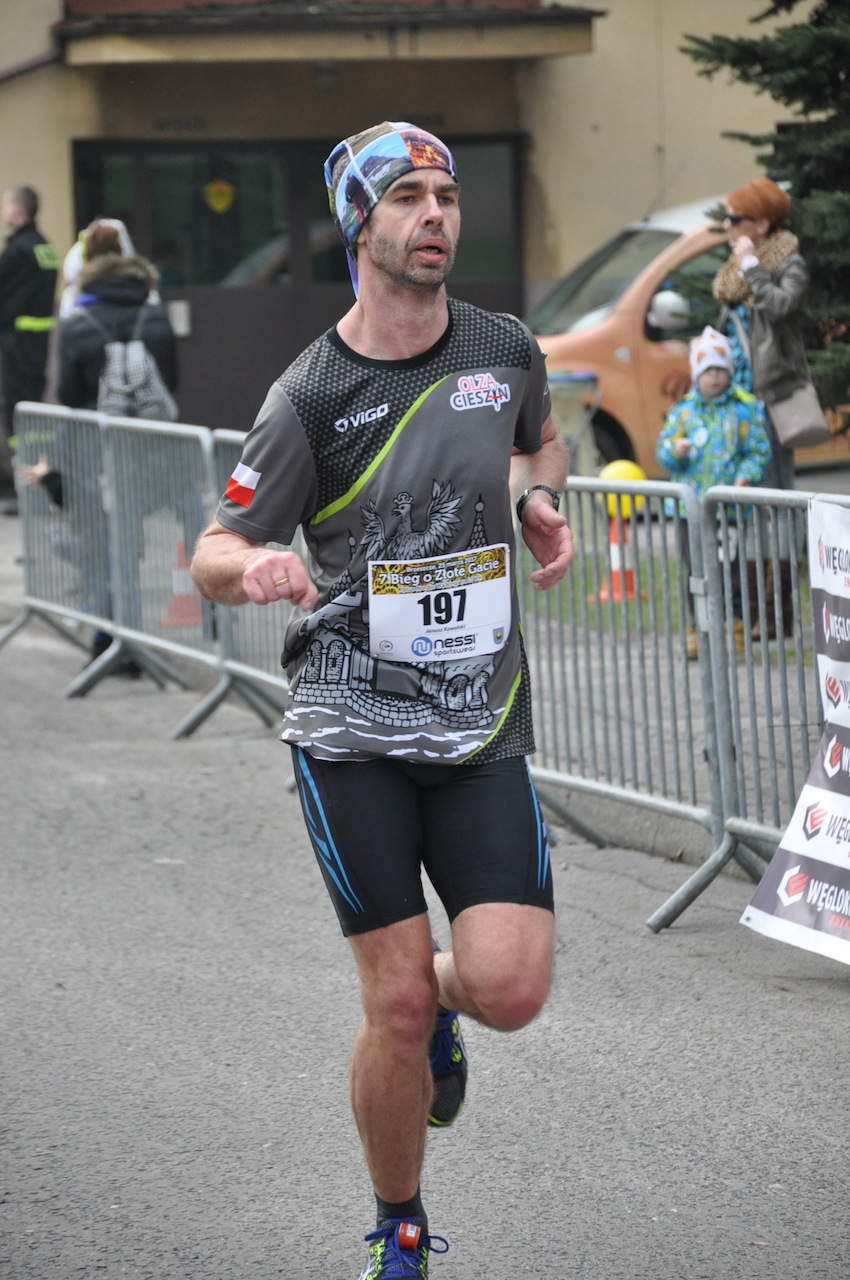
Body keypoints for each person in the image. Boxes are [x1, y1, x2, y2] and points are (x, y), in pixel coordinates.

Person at [190, 120, 573, 1278]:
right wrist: (254, 566)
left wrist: (538, 499)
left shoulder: (502, 348)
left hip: (478, 719)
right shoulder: (310, 393)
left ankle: (443, 1000)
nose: (435, 214)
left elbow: (540, 445)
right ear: (359, 224)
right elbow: (214, 544)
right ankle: (398, 1226)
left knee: (509, 986)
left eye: (444, 193)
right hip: (349, 726)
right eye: (406, 196)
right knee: (393, 1004)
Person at [713, 177, 807, 637]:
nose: (727, 226)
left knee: (778, 502)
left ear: (763, 223)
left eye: (736, 218)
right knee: (748, 503)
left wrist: (752, 264)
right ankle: (754, 612)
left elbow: (782, 305)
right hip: (739, 404)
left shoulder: (788, 263)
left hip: (771, 401)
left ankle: (778, 612)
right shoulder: (733, 274)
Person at [657, 325, 771, 659]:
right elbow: (662, 452)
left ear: (730, 372)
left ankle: (735, 628)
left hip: (728, 511)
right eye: (708, 370)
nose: (715, 376)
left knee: (731, 571)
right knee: (696, 571)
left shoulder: (743, 410)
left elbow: (758, 451)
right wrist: (674, 450)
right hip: (689, 511)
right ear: (696, 374)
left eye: (721, 369)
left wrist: (744, 477)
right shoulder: (684, 412)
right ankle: (698, 629)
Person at [0, 185, 59, 500]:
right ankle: (36, 480)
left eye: (6, 205)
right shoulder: (45, 248)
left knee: (16, 413)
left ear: (17, 209)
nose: (4, 211)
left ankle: (22, 488)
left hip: (16, 343)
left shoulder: (17, 250)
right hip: (38, 344)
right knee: (33, 412)